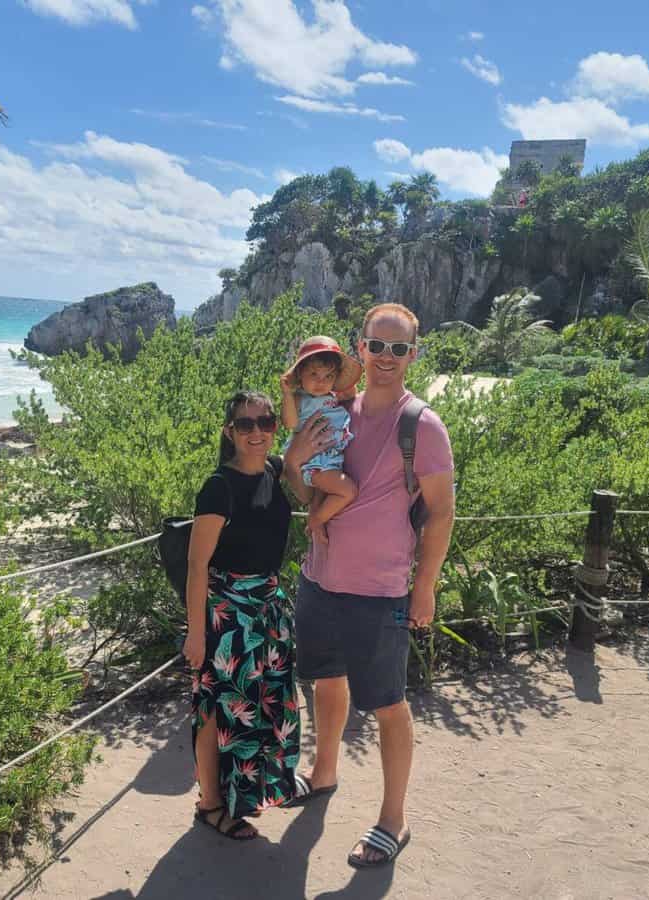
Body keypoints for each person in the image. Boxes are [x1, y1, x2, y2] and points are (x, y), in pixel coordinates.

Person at [283, 303, 456, 868]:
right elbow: (307, 491)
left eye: (398, 348)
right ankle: (324, 771)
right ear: (359, 349)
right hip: (319, 578)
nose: (385, 358)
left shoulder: (421, 425)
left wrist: (424, 588)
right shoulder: (337, 411)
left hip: (380, 590)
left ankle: (393, 819)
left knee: (387, 704)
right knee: (326, 681)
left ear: (414, 355)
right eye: (376, 346)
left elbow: (441, 513)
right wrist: (294, 464)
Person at [183, 390, 299, 841]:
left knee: (260, 708)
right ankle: (211, 805)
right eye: (245, 424)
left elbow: (307, 430)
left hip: (268, 609)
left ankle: (243, 798)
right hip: (227, 616)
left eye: (264, 423)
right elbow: (197, 565)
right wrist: (196, 634)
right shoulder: (219, 487)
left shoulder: (274, 469)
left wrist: (292, 390)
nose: (256, 432)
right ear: (229, 431)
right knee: (216, 711)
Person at [279, 336, 363, 542]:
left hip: (329, 460)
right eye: (314, 374)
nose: (320, 381)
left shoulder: (333, 395)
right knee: (348, 491)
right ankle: (316, 521)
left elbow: (352, 391)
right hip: (315, 461)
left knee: (322, 495)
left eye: (328, 376)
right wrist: (288, 395)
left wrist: (340, 379)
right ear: (300, 374)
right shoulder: (299, 398)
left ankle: (318, 519)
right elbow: (289, 423)